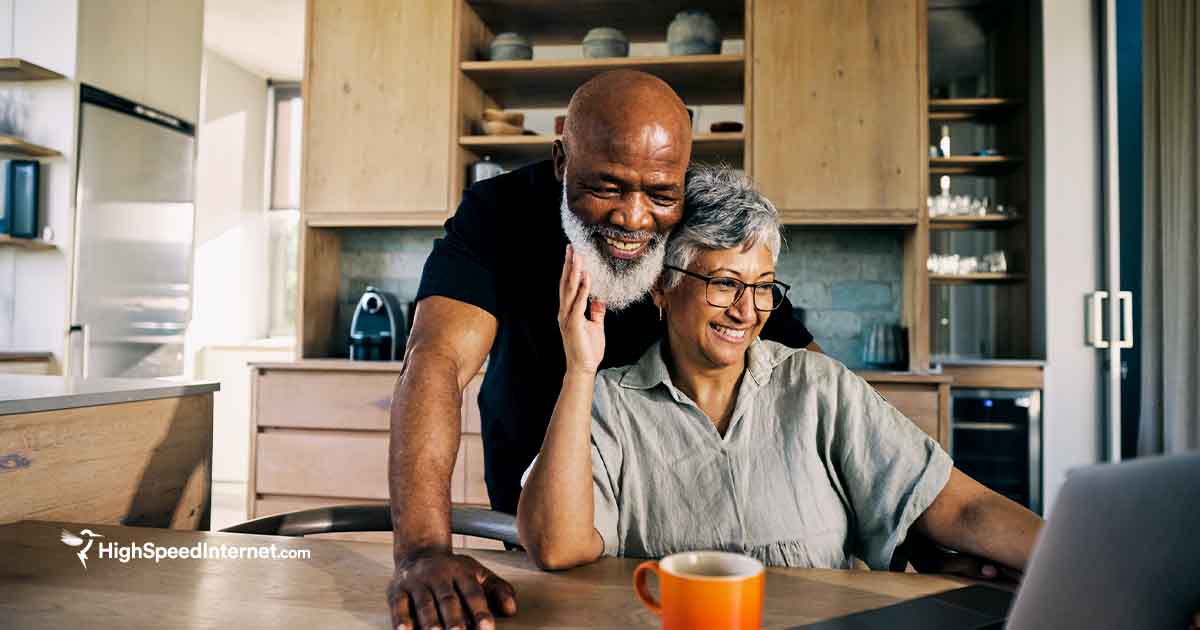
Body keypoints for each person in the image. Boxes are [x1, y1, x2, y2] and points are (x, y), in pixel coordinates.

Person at [386, 71, 819, 630]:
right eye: (607, 187)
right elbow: (436, 360)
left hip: (675, 536)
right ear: (562, 160)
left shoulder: (700, 218)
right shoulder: (500, 213)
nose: (633, 218)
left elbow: (813, 378)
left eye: (661, 193)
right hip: (543, 537)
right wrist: (423, 550)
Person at [517, 164, 1044, 574]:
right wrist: (580, 370)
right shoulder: (609, 402)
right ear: (662, 286)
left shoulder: (820, 388)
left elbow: (961, 507)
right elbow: (558, 547)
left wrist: (1085, 564)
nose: (747, 312)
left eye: (763, 286)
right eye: (724, 283)